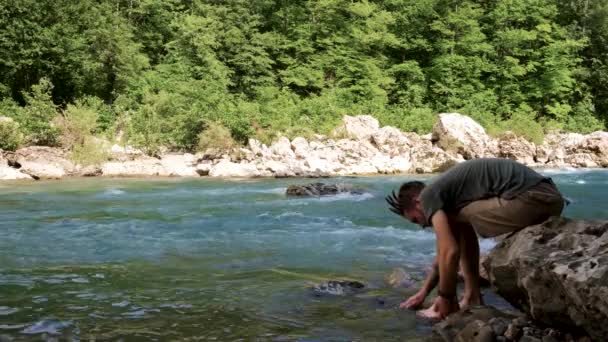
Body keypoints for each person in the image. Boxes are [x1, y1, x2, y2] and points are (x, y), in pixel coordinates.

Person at [385, 158, 566, 319]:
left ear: (417, 201)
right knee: (458, 224)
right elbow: (445, 251)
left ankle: (456, 302)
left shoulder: (428, 196)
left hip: (534, 198)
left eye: (416, 219)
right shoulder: (445, 193)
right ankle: (473, 296)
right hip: (546, 197)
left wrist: (445, 297)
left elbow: (450, 251)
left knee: (455, 220)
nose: (424, 225)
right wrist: (423, 292)